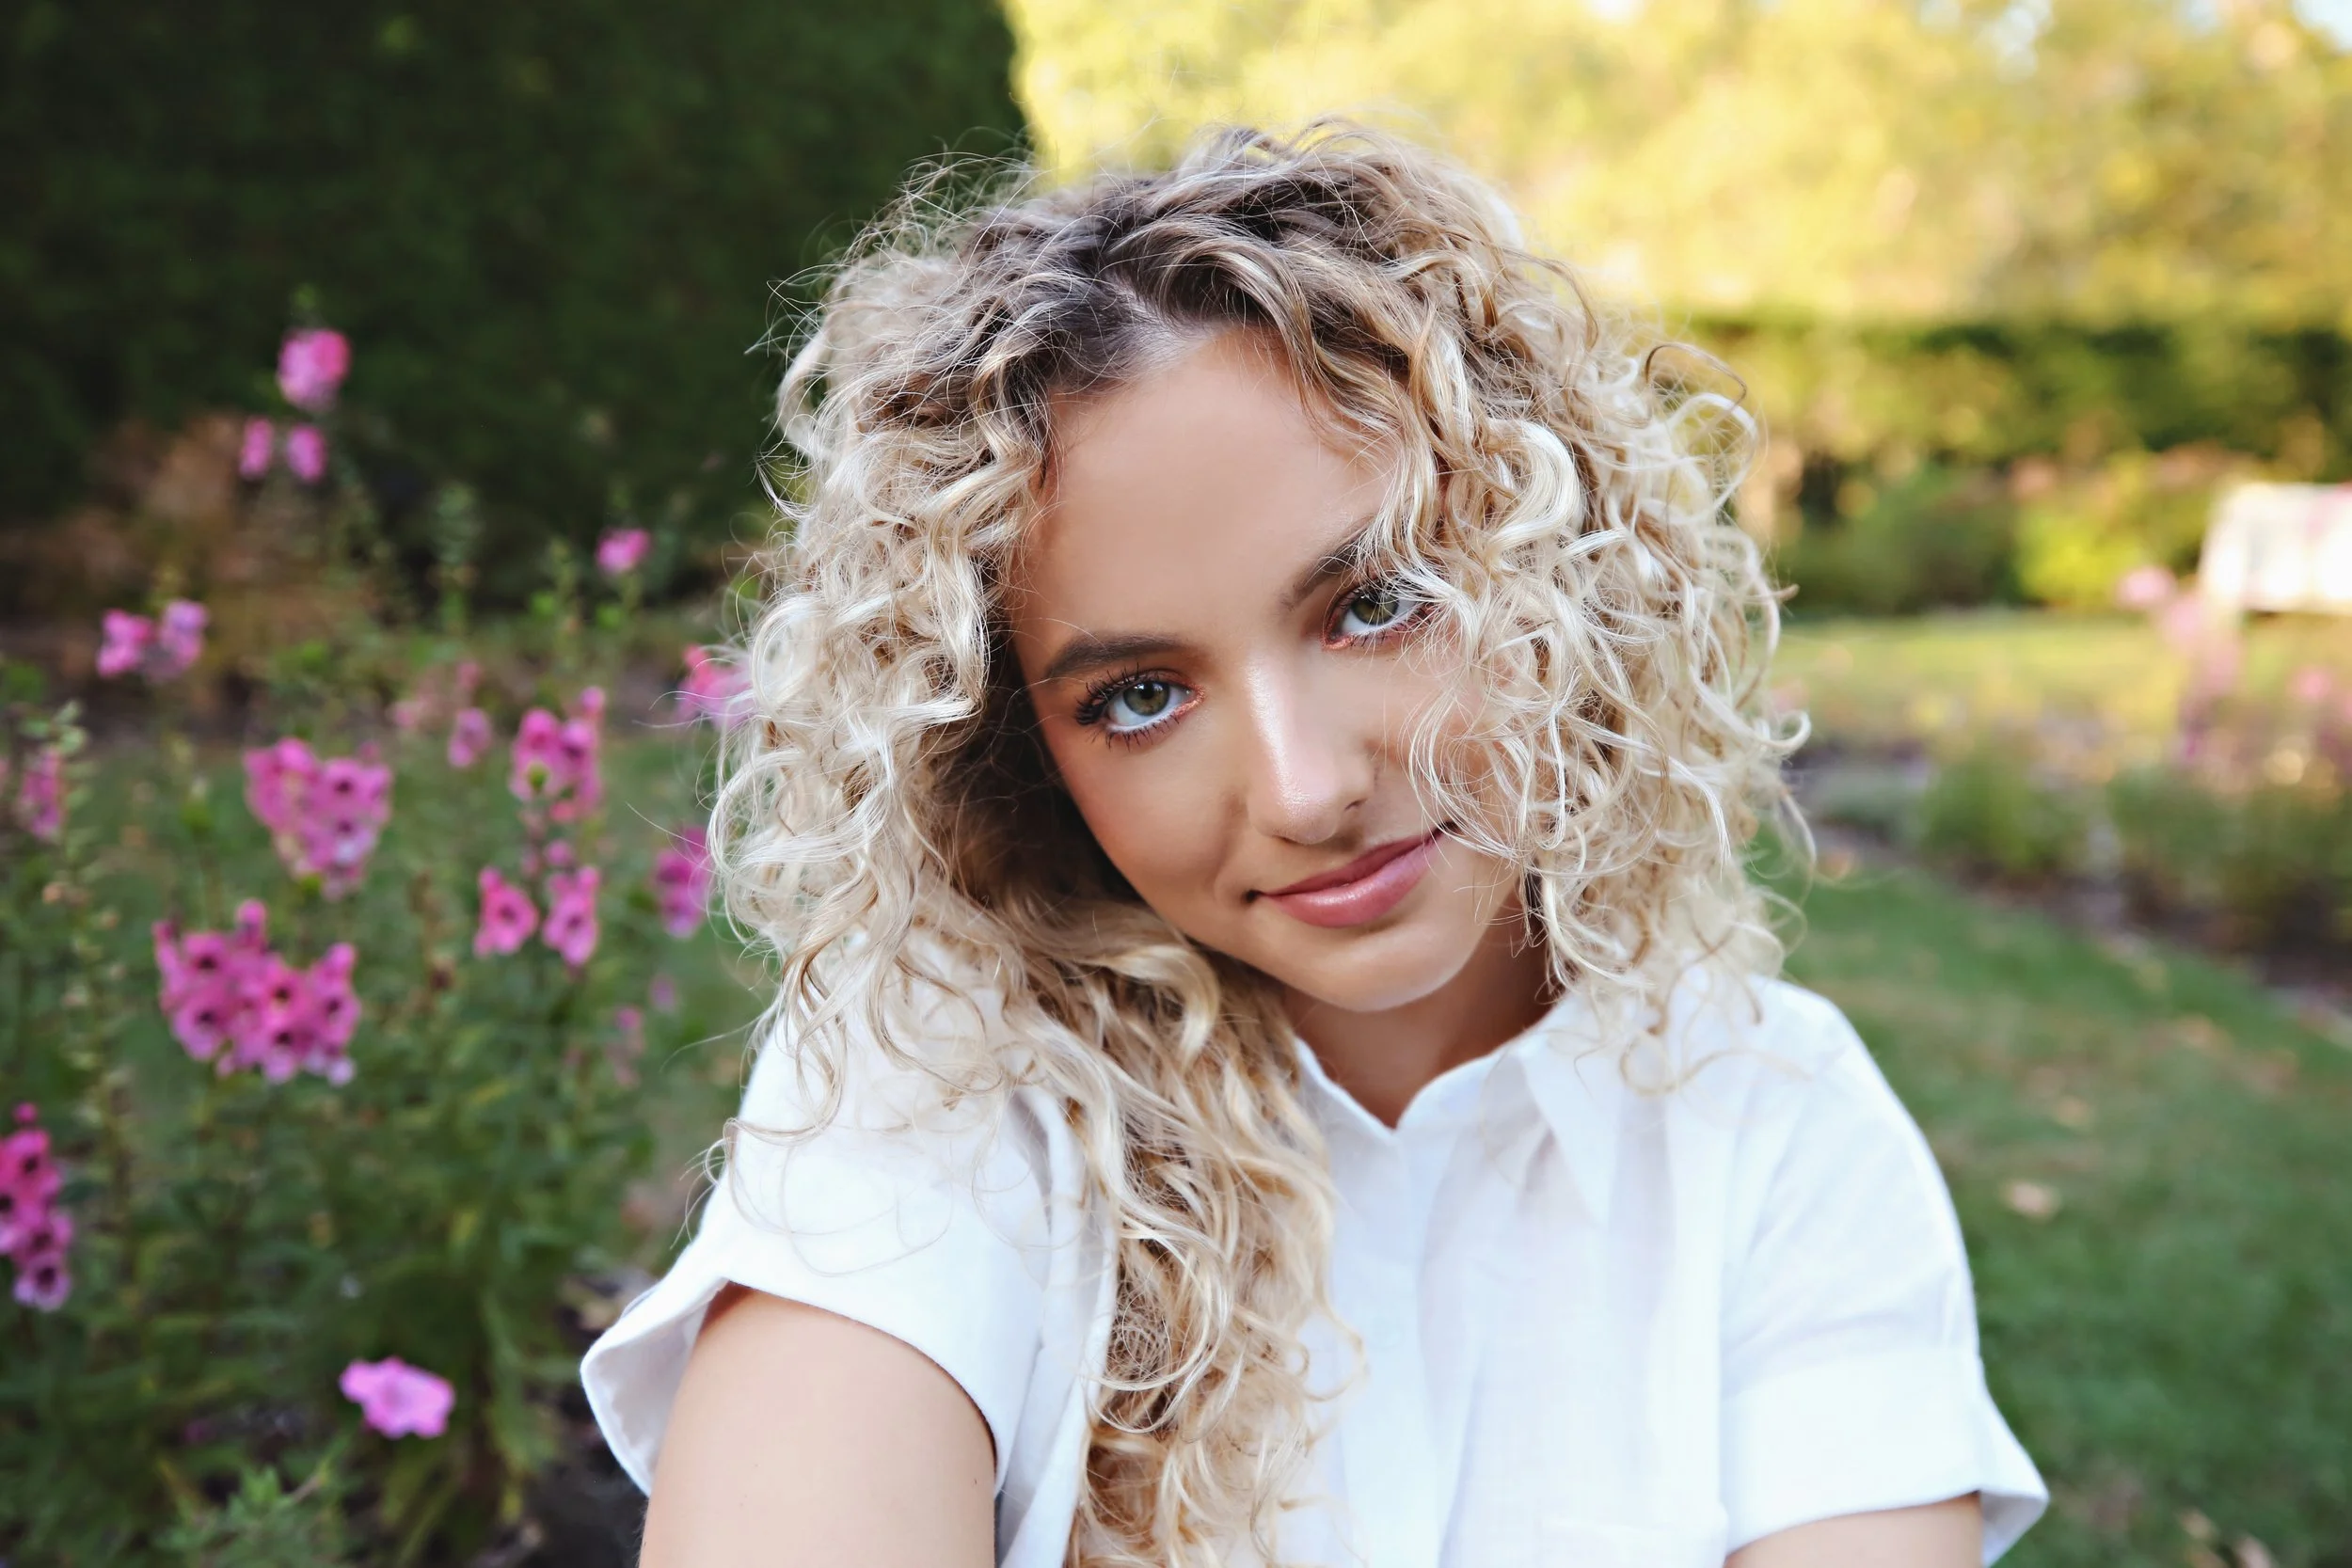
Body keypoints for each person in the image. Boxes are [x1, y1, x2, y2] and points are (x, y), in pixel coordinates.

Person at [582, 123, 2046, 1567]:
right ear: (1018, 753)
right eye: (1140, 696)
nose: (1303, 789)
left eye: (1376, 602)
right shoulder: (940, 1090)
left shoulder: (1778, 1130)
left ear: (1550, 565)